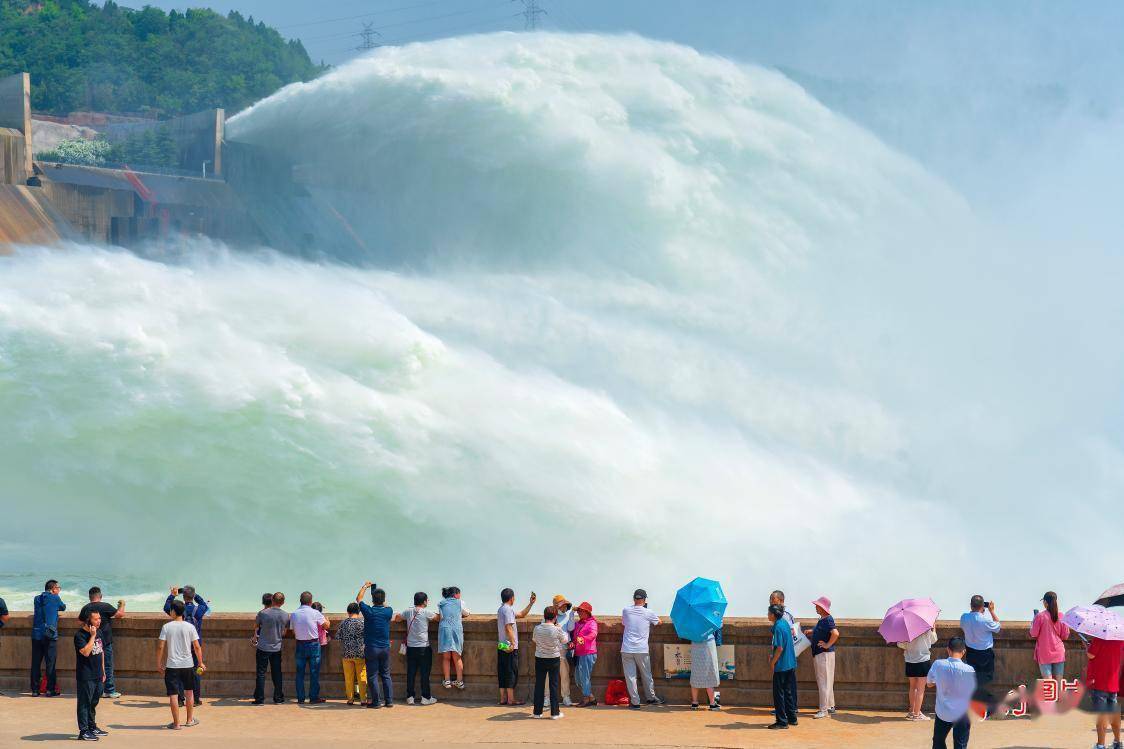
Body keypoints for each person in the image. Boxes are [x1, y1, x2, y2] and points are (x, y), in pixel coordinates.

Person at [159, 599, 205, 729]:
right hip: (188, 664)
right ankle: (190, 720)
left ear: (173, 611)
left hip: (172, 665)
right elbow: (197, 646)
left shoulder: (166, 627)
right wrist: (200, 663)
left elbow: (160, 647)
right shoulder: (190, 626)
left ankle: (176, 723)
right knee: (189, 692)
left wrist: (158, 663)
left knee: (173, 694)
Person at [926, 637, 976, 749]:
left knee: (938, 742)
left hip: (943, 711)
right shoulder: (969, 669)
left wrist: (940, 681)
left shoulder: (938, 664)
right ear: (963, 651)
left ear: (948, 649)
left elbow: (929, 683)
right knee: (960, 745)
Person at [164, 585, 209, 706]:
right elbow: (204, 603)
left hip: (182, 645)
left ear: (183, 597)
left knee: (179, 672)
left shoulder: (179, 610)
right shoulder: (199, 610)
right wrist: (195, 595)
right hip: (195, 644)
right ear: (193, 597)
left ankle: (179, 699)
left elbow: (166, 607)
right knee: (195, 673)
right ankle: (196, 699)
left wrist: (173, 595)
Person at [357, 581, 398, 708]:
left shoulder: (368, 611)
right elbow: (385, 605)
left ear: (373, 600)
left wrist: (365, 586)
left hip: (371, 647)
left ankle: (376, 702)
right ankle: (389, 701)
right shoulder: (388, 611)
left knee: (372, 675)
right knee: (386, 675)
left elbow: (358, 599)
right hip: (384, 647)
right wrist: (380, 598)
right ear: (384, 599)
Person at [621, 588, 664, 709]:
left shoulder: (626, 610)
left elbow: (624, 623)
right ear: (645, 600)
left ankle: (635, 702)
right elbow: (659, 622)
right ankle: (650, 698)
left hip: (627, 648)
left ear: (634, 599)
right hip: (641, 649)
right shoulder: (648, 612)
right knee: (646, 675)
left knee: (631, 677)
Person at [80, 587, 125, 699]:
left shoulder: (86, 608)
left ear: (90, 597)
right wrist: (122, 605)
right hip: (105, 640)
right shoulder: (105, 606)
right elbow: (120, 614)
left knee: (94, 665)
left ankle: (96, 690)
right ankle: (109, 690)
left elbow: (80, 620)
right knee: (108, 665)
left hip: (90, 641)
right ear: (100, 596)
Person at [497, 588, 536, 706]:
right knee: (511, 672)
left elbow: (522, 614)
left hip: (502, 645)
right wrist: (513, 643)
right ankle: (511, 699)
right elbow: (508, 627)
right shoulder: (508, 610)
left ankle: (503, 698)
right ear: (512, 598)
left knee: (502, 672)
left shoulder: (501, 609)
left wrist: (531, 603)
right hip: (509, 647)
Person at [959, 595, 1000, 707]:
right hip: (985, 654)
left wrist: (975, 610)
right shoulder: (985, 619)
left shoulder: (964, 617)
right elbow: (997, 627)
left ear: (971, 606)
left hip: (971, 652)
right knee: (986, 679)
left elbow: (965, 623)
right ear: (983, 606)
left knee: (973, 679)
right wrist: (991, 611)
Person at [1085, 633, 1123, 749]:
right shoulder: (1120, 638)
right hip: (1113, 681)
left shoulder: (1099, 638)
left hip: (1099, 681)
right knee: (1114, 714)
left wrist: (1087, 646)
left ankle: (1100, 745)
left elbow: (1091, 655)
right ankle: (1117, 742)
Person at [290, 591, 329, 704]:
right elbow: (325, 625)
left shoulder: (294, 614)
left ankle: (300, 698)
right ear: (310, 602)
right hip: (313, 645)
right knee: (314, 672)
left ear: (300, 601)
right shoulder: (315, 613)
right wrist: (328, 621)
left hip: (300, 644)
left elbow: (293, 631)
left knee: (299, 673)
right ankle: (313, 697)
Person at [531, 605, 569, 719]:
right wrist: (559, 628)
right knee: (553, 685)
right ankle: (554, 713)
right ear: (555, 617)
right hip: (553, 658)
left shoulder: (537, 628)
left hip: (540, 658)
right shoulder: (557, 629)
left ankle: (537, 712)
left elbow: (534, 640)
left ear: (544, 616)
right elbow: (565, 640)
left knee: (539, 685)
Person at [74, 608, 107, 741]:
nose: (99, 621)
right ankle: (83, 731)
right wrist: (92, 636)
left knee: (94, 701)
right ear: (88, 621)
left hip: (98, 674)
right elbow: (86, 652)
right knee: (84, 703)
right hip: (86, 675)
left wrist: (103, 671)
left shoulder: (99, 632)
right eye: (96, 619)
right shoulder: (79, 636)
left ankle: (92, 726)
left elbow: (101, 652)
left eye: (99, 618)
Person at [804, 596, 839, 719]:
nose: (815, 607)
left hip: (823, 654)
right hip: (823, 654)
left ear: (822, 607)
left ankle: (823, 710)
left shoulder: (828, 619)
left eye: (817, 605)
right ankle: (830, 706)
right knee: (827, 681)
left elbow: (835, 633)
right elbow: (821, 630)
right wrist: (812, 631)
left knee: (823, 682)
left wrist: (827, 644)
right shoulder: (823, 619)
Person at [402, 591, 439, 705]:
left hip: (411, 648)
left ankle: (410, 697)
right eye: (427, 600)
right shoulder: (427, 612)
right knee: (424, 673)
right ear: (424, 601)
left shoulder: (408, 611)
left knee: (411, 673)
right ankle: (425, 697)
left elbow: (398, 618)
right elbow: (438, 618)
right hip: (424, 647)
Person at [30, 579, 66, 697]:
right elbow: (63, 607)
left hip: (37, 634)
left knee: (36, 663)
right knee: (50, 663)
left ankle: (35, 690)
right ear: (53, 589)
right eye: (58, 588)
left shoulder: (37, 598)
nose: (59, 590)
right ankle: (50, 689)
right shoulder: (55, 598)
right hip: (50, 635)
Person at [252, 592, 287, 705]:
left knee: (261, 673)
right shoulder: (285, 615)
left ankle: (260, 699)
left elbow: (256, 626)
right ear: (283, 602)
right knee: (277, 673)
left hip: (263, 647)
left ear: (272, 599)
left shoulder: (263, 613)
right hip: (276, 647)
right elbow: (284, 632)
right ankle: (278, 698)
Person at [768, 603, 798, 729]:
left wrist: (772, 662)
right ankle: (792, 718)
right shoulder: (784, 623)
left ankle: (781, 721)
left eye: (769, 613)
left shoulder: (778, 627)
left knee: (778, 693)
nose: (767, 615)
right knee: (788, 691)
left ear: (773, 615)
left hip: (782, 665)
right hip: (790, 663)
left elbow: (779, 648)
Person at [898, 626, 938, 721]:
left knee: (912, 687)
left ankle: (912, 711)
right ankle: (917, 714)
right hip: (923, 661)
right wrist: (934, 628)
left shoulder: (906, 629)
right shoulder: (925, 628)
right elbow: (933, 640)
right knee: (921, 689)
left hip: (909, 660)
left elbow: (900, 644)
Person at [1029, 591, 1069, 680]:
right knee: (1059, 682)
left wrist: (1033, 623)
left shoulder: (1040, 616)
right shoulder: (1061, 616)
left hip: (1044, 652)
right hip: (1059, 652)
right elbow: (1065, 635)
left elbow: (1033, 633)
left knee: (1048, 682)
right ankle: (1059, 694)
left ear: (1045, 603)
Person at [438, 586, 470, 689]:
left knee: (446, 657)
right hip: (456, 630)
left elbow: (441, 616)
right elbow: (466, 613)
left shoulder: (441, 603)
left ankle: (447, 681)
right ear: (456, 594)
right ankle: (459, 681)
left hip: (444, 630)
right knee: (457, 658)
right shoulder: (460, 602)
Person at [337, 603, 367, 705]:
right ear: (358, 612)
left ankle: (350, 699)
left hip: (346, 654)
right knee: (362, 676)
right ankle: (363, 699)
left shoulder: (343, 623)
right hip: (360, 653)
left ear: (348, 612)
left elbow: (338, 637)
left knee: (348, 678)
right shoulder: (363, 622)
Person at [550, 595, 575, 707]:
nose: (564, 607)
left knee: (564, 674)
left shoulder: (567, 616)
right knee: (548, 676)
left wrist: (571, 616)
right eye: (562, 605)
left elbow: (570, 629)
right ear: (556, 606)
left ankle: (566, 696)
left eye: (565, 605)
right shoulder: (549, 615)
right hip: (550, 649)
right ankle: (547, 697)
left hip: (562, 650)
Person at [572, 601, 599, 706]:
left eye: (581, 611)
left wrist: (583, 639)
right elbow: (575, 637)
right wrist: (573, 643)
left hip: (588, 653)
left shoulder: (592, 623)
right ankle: (591, 697)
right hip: (579, 653)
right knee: (578, 679)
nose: (579, 612)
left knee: (584, 677)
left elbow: (593, 634)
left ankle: (586, 699)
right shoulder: (578, 623)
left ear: (587, 612)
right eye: (578, 610)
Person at [689, 629, 721, 711]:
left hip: (695, 642)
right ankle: (712, 703)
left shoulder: (692, 619)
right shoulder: (709, 618)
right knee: (709, 673)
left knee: (695, 674)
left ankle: (694, 703)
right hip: (708, 643)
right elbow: (718, 625)